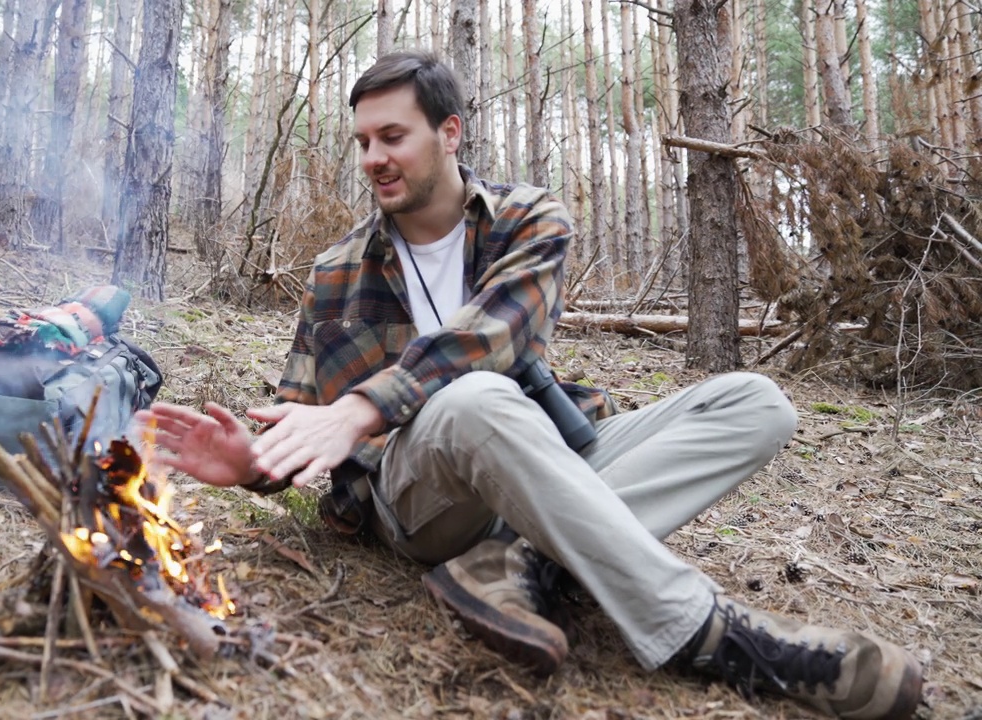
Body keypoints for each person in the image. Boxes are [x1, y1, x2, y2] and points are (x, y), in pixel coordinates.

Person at [137, 50, 922, 719]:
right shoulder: (336, 270)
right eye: (363, 141)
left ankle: (518, 562)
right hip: (424, 496)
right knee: (474, 400)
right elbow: (308, 421)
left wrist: (362, 404)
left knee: (756, 403)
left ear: (449, 133)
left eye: (393, 136)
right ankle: (710, 633)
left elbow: (492, 337)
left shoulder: (528, 219)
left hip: (547, 448)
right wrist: (254, 465)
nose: (374, 156)